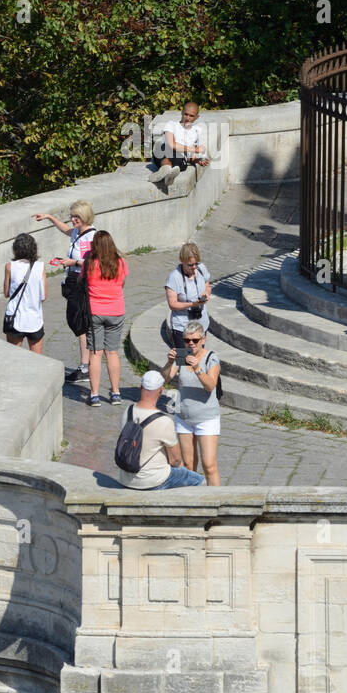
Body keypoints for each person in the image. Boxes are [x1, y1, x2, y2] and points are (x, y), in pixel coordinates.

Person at [34, 200, 96, 382]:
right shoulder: (78, 232)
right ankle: (85, 365)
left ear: (84, 217)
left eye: (76, 217)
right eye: (71, 217)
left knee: (80, 323)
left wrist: (73, 263)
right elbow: (66, 230)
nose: (73, 220)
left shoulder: (92, 237)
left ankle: (85, 366)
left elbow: (94, 262)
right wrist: (50, 218)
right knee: (75, 322)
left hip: (81, 282)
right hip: (72, 281)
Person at [115, 370, 205, 489]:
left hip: (125, 478)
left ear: (141, 387)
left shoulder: (128, 410)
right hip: (152, 479)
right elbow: (176, 459)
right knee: (200, 481)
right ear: (161, 391)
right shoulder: (164, 421)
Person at [162, 321, 221, 485]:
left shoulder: (211, 358)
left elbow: (210, 386)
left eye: (195, 340)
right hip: (184, 418)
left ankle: (217, 500)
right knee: (188, 466)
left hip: (207, 418)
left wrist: (197, 369)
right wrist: (169, 363)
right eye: (187, 340)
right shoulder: (182, 356)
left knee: (209, 465)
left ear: (203, 339)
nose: (191, 344)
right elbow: (165, 378)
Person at [85, 229, 129, 407]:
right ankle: (116, 393)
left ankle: (94, 394)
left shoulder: (90, 263)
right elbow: (122, 283)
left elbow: (84, 282)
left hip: (95, 311)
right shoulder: (120, 262)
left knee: (95, 354)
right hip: (116, 311)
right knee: (112, 352)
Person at [2, 233, 46, 353]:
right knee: (37, 360)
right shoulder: (40, 267)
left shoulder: (10, 267)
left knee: (15, 357)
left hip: (15, 318)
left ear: (15, 249)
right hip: (34, 319)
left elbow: (6, 293)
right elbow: (43, 296)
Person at [149, 101, 209, 187]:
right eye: (186, 114)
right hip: (163, 154)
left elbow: (190, 157)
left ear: (196, 117)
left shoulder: (196, 131)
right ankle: (166, 169)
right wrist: (195, 149)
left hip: (180, 160)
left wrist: (198, 160)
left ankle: (167, 173)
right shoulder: (171, 125)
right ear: (181, 112)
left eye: (191, 116)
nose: (188, 118)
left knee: (180, 157)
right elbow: (171, 144)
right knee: (162, 148)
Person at [165, 241, 211, 352]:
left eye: (196, 263)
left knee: (199, 360)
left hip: (200, 324)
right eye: (190, 265)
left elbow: (207, 285)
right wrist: (192, 304)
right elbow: (172, 304)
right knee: (184, 362)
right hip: (182, 326)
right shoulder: (174, 277)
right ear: (182, 260)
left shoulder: (201, 268)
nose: (194, 267)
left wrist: (206, 293)